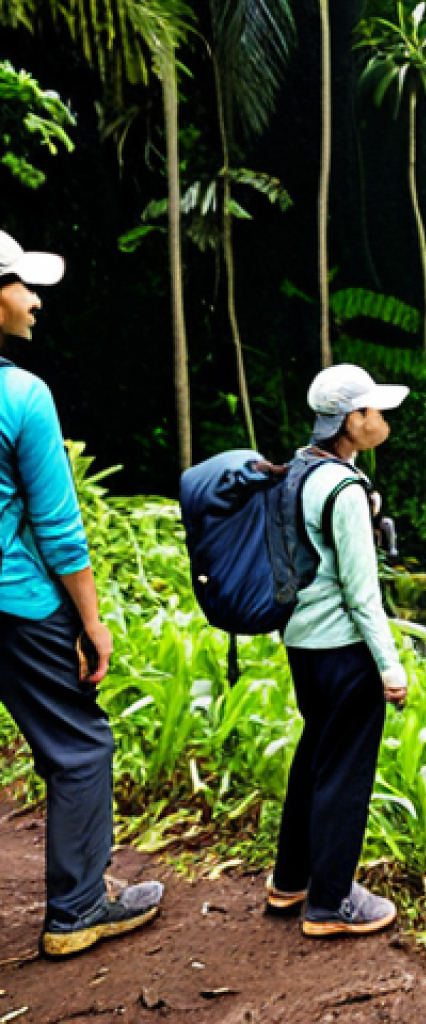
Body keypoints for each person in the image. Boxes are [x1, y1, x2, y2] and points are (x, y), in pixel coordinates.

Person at [0, 230, 163, 959]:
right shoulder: (22, 396)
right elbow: (59, 529)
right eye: (22, 286)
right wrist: (91, 622)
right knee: (80, 746)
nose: (35, 301)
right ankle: (75, 909)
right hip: (16, 603)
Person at [266, 363, 409, 937]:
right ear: (353, 421)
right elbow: (362, 592)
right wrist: (390, 666)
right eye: (375, 410)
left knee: (315, 759)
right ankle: (330, 902)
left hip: (302, 646)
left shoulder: (298, 471)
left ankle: (290, 881)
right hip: (346, 651)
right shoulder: (344, 490)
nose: (383, 418)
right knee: (346, 774)